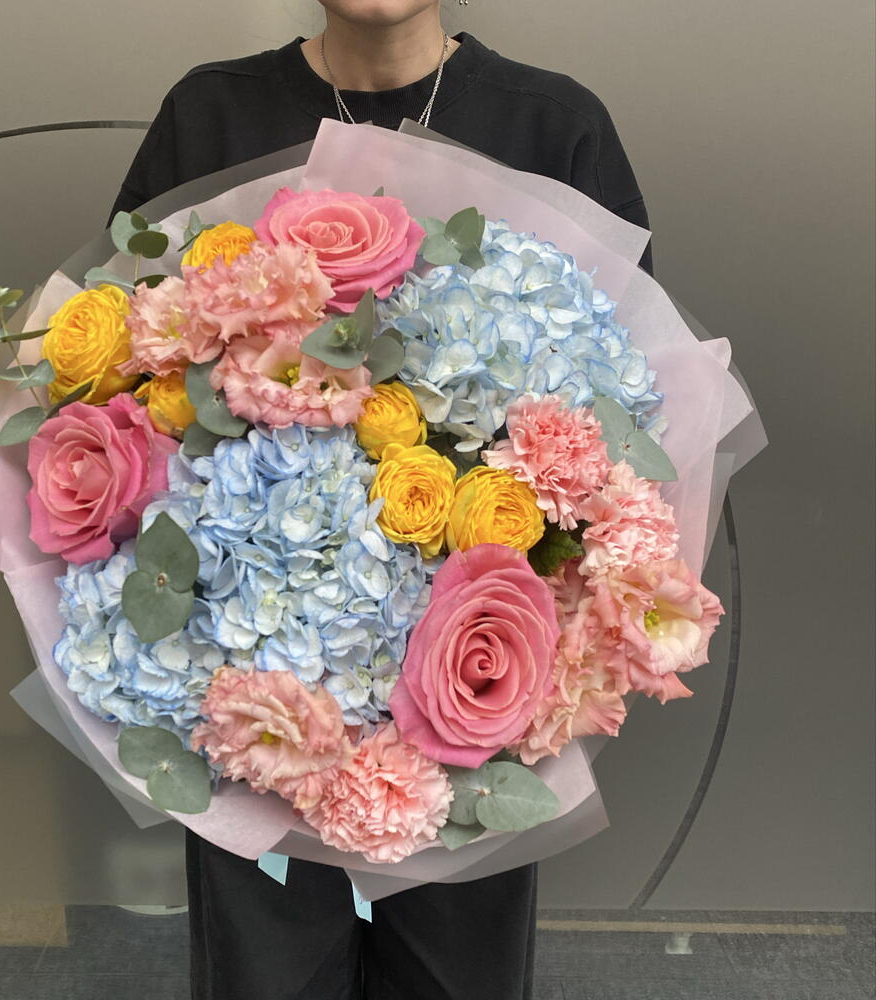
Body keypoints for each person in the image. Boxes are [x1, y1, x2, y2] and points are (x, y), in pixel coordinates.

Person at [107, 4, 653, 998]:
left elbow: (625, 421)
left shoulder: (553, 129)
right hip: (261, 706)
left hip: (472, 701)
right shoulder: (210, 116)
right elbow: (129, 377)